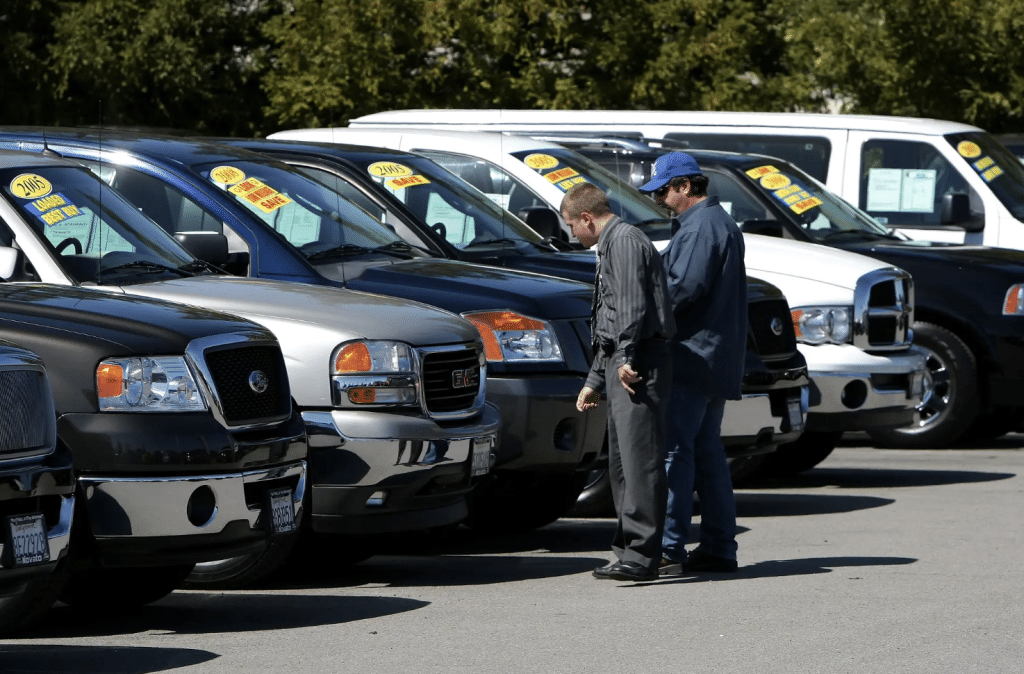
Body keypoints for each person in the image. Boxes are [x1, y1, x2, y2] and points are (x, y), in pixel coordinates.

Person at [638, 152, 747, 574]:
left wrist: (639, 319)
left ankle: (668, 548)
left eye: (664, 190)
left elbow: (680, 291)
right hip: (713, 356)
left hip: (691, 356)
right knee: (706, 451)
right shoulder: (715, 223)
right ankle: (720, 547)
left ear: (686, 186)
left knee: (675, 451)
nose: (661, 199)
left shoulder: (701, 228)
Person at [563, 181, 675, 582]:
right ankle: (628, 549)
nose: (571, 233)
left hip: (638, 362)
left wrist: (626, 357)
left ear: (587, 218)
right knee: (622, 465)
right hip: (621, 361)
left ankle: (643, 556)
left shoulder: (624, 242)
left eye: (571, 225)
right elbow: (609, 316)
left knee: (640, 462)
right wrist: (595, 377)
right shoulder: (610, 242)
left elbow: (630, 306)